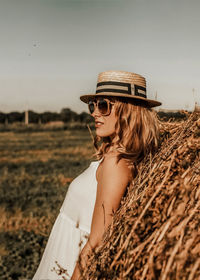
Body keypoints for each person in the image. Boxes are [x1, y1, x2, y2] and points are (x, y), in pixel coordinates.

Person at [32, 70, 161, 280]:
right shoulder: (116, 155)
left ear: (128, 110)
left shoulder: (116, 163)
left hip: (71, 265)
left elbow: (99, 240)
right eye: (93, 105)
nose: (94, 113)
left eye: (103, 105)